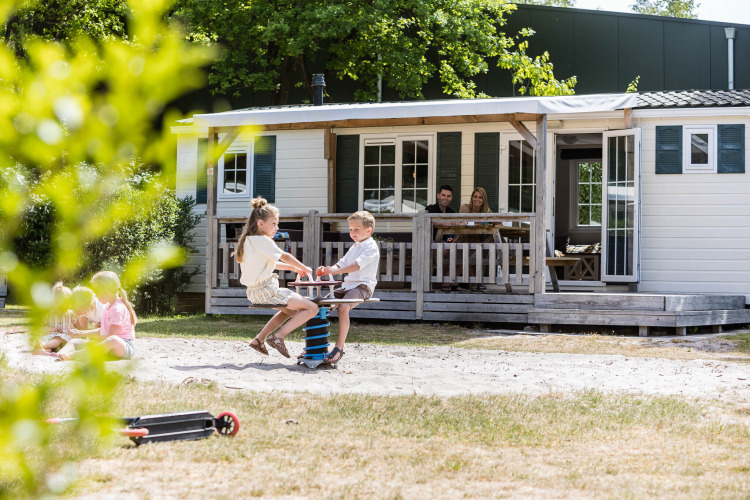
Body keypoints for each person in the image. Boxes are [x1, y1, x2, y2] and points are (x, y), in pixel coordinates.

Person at [236, 196, 318, 359]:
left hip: (254, 293)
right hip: (267, 290)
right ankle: (278, 336)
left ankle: (259, 340)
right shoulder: (263, 240)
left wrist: (293, 268)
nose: (277, 227)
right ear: (261, 224)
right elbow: (285, 256)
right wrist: (304, 267)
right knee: (311, 308)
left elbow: (271, 264)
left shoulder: (249, 241)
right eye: (273, 223)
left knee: (289, 311)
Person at [316, 211, 379, 364]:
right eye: (350, 229)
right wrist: (328, 269)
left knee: (343, 307)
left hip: (362, 287)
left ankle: (339, 348)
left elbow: (356, 266)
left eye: (356, 229)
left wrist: (337, 271)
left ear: (368, 230)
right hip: (347, 286)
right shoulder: (355, 246)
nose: (352, 233)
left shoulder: (370, 246)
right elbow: (342, 263)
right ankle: (316, 347)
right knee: (319, 305)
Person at [58, 271, 137, 361]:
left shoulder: (117, 309)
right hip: (108, 346)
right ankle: (59, 354)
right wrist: (80, 333)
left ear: (105, 291)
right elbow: (103, 331)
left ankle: (74, 356)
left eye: (96, 291)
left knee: (113, 339)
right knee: (74, 341)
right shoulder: (108, 306)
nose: (95, 295)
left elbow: (110, 337)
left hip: (123, 347)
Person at [425, 185, 465, 291]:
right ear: (438, 196)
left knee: (463, 249)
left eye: (448, 196)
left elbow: (458, 225)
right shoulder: (430, 209)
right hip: (431, 244)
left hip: (448, 242)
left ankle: (449, 282)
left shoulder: (451, 212)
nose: (445, 198)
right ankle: (448, 282)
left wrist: (459, 223)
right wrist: (448, 222)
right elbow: (431, 221)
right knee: (445, 249)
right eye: (443, 195)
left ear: (451, 198)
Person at [458, 187, 492, 291]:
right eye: (475, 196)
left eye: (480, 197)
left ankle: (476, 281)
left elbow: (494, 221)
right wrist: (480, 223)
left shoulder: (487, 211)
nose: (477, 199)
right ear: (472, 197)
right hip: (463, 238)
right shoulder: (465, 207)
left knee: (485, 244)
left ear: (484, 199)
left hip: (478, 238)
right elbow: (466, 224)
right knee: (472, 246)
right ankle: (477, 281)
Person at [35, 282, 75, 355]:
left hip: (65, 340)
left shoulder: (71, 314)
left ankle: (43, 347)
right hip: (50, 339)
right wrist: (52, 329)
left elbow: (79, 328)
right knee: (55, 339)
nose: (62, 310)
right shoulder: (49, 314)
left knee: (59, 338)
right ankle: (45, 350)